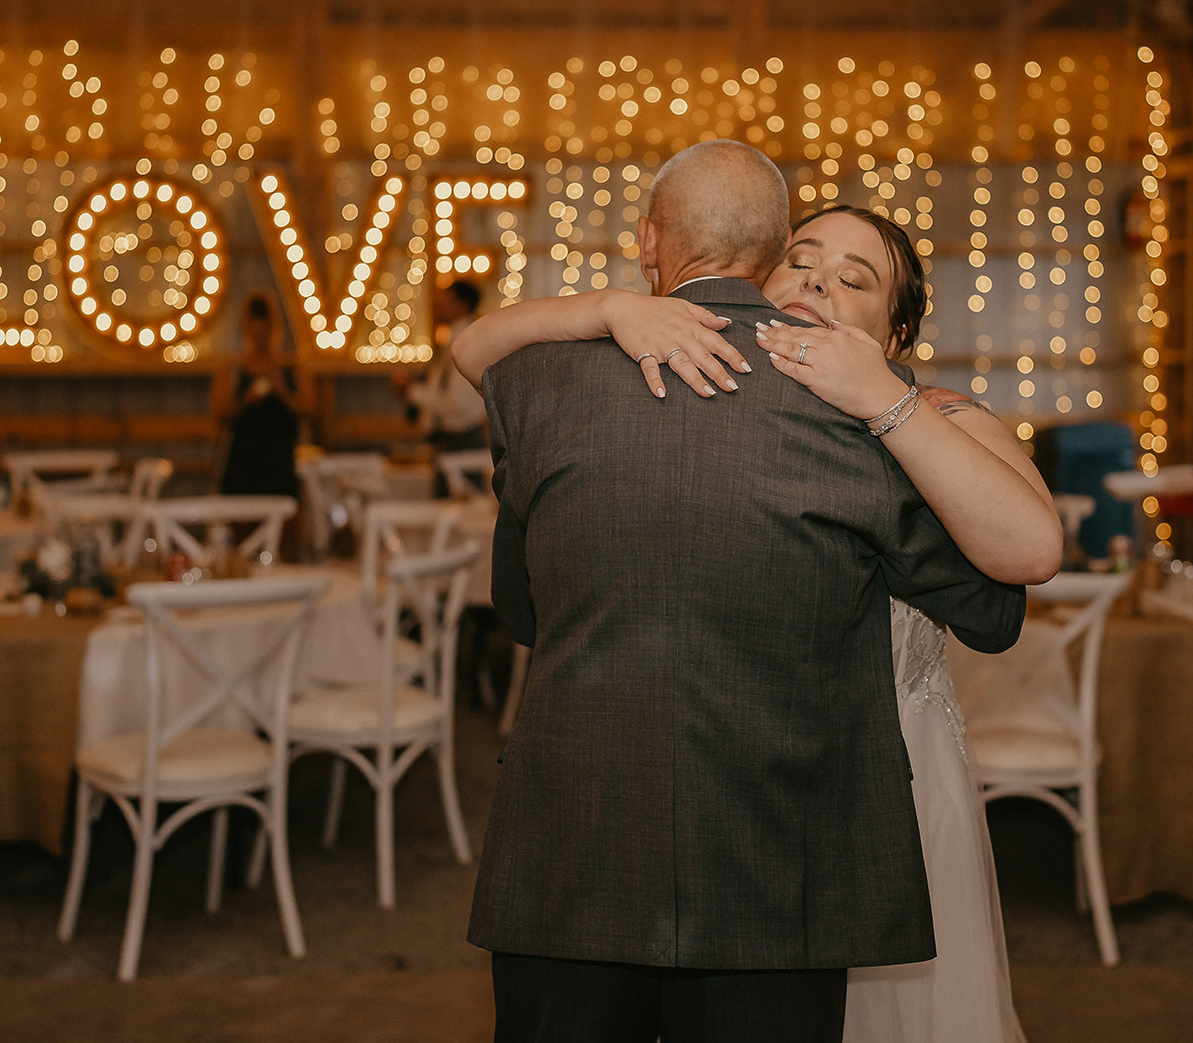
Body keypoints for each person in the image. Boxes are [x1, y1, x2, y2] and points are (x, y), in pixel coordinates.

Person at [463, 141, 1044, 1043]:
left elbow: (522, 608)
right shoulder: (857, 427)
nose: (816, 284)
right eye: (804, 260)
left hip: (574, 849)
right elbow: (992, 610)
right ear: (768, 259)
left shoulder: (539, 381)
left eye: (852, 278)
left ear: (649, 243)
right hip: (780, 867)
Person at [211, 292, 308, 501]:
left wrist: (283, 393)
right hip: (242, 466)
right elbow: (219, 413)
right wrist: (245, 401)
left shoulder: (291, 368)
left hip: (281, 466)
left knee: (284, 516)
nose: (260, 334)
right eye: (255, 328)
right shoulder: (233, 369)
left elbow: (310, 409)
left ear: (273, 328)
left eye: (264, 328)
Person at [401, 278, 489, 453]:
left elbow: (459, 403)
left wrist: (412, 391)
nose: (439, 305)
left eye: (447, 300)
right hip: (453, 438)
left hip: (462, 439)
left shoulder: (465, 343)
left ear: (462, 306)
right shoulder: (453, 339)